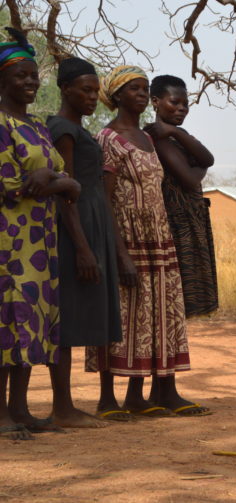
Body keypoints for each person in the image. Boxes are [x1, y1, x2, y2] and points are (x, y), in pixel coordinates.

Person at [85, 65, 201, 417]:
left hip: (157, 237)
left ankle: (140, 395)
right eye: (134, 89)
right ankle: (107, 399)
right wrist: (120, 254)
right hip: (126, 238)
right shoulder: (107, 139)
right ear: (117, 95)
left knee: (153, 315)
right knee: (118, 315)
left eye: (143, 88)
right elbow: (105, 200)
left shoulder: (149, 139)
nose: (140, 94)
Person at [0, 28, 81, 440]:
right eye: (21, 76)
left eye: (34, 76)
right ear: (3, 80)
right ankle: (1, 415)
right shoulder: (0, 125)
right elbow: (13, 186)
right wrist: (57, 181)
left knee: (32, 322)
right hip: (9, 242)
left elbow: (61, 179)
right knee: (7, 322)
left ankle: (21, 410)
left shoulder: (35, 124)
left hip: (40, 241)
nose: (30, 82)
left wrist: (51, 177)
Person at [46, 57, 123, 426]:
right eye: (86, 90)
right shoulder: (63, 129)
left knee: (79, 314)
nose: (94, 97)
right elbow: (65, 194)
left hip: (92, 226)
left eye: (96, 90)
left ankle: (67, 405)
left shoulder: (79, 128)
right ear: (65, 90)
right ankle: (62, 407)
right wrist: (81, 248)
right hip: (76, 232)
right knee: (66, 317)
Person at [143, 75, 216, 416]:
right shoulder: (154, 139)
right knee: (169, 310)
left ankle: (165, 388)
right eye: (174, 102)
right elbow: (190, 177)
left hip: (187, 226)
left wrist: (177, 133)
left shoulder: (170, 136)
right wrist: (188, 154)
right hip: (171, 229)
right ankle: (163, 389)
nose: (181, 108)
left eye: (185, 104)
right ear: (155, 101)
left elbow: (207, 159)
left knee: (175, 312)